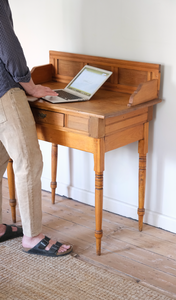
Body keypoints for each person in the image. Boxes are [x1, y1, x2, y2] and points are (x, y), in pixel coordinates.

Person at [0, 0, 73, 256]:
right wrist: (29, 85)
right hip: (3, 92)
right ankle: (32, 236)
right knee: (28, 162)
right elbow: (7, 46)